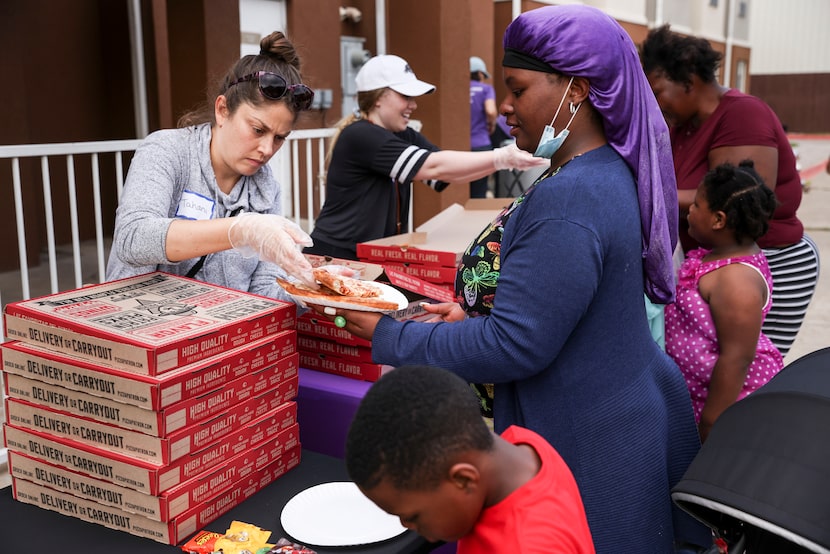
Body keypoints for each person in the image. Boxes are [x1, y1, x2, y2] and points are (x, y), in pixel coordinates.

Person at [314, 6, 711, 552]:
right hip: (612, 403)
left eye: (517, 89)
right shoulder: (597, 170)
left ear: (575, 90)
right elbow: (553, 302)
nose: (504, 107)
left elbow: (518, 343)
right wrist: (475, 314)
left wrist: (390, 334)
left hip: (585, 431)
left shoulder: (571, 197)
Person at [640, 24, 820, 358]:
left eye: (658, 90)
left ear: (689, 81)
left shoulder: (741, 114)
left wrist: (644, 194)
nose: (653, 102)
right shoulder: (684, 126)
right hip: (717, 268)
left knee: (742, 374)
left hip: (767, 263)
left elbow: (737, 198)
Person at [106, 31, 317, 302]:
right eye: (257, 129)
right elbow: (133, 238)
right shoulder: (168, 151)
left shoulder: (265, 189)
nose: (267, 149)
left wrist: (311, 294)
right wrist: (239, 231)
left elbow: (263, 291)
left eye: (279, 138)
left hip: (217, 334)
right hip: (139, 321)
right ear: (222, 110)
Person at [304, 54, 545, 260]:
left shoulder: (403, 135)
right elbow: (435, 167)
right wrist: (502, 158)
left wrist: (508, 160)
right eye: (405, 96)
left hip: (372, 255)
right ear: (378, 97)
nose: (413, 105)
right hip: (336, 255)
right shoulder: (360, 134)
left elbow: (448, 171)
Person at [345, 364, 596, 553]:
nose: (406, 525)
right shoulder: (523, 447)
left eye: (413, 516)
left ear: (464, 479)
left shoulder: (528, 545)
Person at [666, 161, 784, 443]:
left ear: (719, 220)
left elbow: (737, 358)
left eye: (696, 205)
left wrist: (712, 421)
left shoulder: (736, 280)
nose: (689, 211)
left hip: (726, 402)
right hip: (698, 392)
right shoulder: (716, 255)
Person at [469, 56, 498, 198]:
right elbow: (491, 110)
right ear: (480, 73)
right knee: (479, 191)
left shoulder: (461, 89)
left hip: (462, 147)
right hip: (481, 144)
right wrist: (491, 125)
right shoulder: (486, 89)